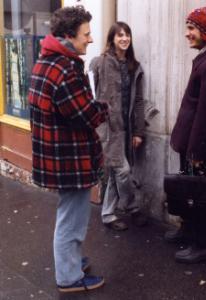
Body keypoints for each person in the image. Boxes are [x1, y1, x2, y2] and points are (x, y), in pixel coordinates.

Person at [29, 6, 108, 292]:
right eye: (86, 34)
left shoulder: (47, 61)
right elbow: (88, 114)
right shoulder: (64, 69)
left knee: (70, 214)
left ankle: (71, 262)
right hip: (69, 159)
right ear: (68, 36)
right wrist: (104, 106)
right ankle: (69, 277)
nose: (90, 39)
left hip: (58, 155)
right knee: (72, 220)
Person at [164, 7, 206, 263]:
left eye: (192, 28)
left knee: (198, 193)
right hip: (191, 142)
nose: (187, 34)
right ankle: (187, 229)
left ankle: (203, 243)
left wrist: (196, 152)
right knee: (188, 190)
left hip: (198, 145)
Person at [90, 22, 147, 231]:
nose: (124, 39)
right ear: (112, 39)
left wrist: (139, 131)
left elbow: (139, 101)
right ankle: (133, 208)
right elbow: (95, 96)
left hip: (128, 128)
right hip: (109, 128)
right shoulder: (102, 63)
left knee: (116, 172)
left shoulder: (134, 66)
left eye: (127, 35)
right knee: (122, 170)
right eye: (120, 35)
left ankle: (107, 214)